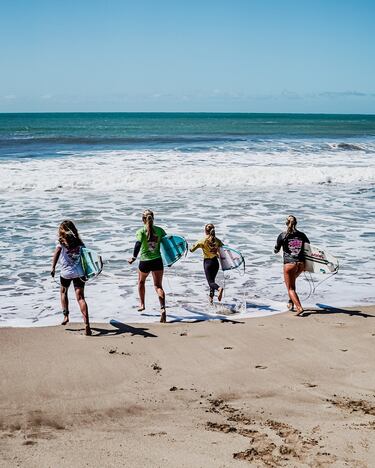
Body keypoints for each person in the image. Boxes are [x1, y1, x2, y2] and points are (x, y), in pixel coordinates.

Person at [51, 220, 91, 335]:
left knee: (63, 292)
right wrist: (88, 272)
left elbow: (57, 254)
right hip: (79, 273)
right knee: (80, 298)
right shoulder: (79, 242)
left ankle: (66, 316)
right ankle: (87, 324)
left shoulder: (61, 242)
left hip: (66, 273)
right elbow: (86, 257)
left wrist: (53, 267)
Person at [128, 210, 167, 323]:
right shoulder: (160, 231)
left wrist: (134, 257)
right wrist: (171, 257)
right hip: (157, 261)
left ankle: (142, 304)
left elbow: (138, 244)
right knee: (158, 286)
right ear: (153, 218)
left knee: (141, 282)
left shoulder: (141, 231)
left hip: (145, 262)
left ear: (143, 220)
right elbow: (167, 244)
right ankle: (163, 308)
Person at [274, 215, 310, 316]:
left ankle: (299, 307)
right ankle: (291, 302)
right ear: (296, 223)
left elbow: (276, 250)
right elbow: (309, 248)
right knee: (292, 284)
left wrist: (277, 249)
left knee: (290, 288)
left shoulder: (283, 235)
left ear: (286, 223)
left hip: (289, 264)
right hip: (301, 264)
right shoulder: (302, 235)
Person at [190, 224, 224, 304]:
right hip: (215, 263)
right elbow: (224, 250)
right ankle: (211, 300)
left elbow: (191, 250)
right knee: (212, 281)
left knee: (211, 282)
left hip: (208, 263)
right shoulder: (217, 240)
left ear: (205, 231)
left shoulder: (202, 241)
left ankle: (219, 289)